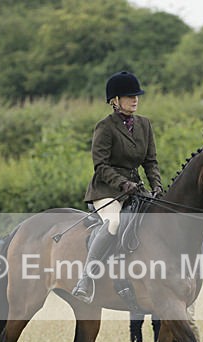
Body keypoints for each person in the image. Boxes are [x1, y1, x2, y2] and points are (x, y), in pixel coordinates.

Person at [72, 71, 163, 303]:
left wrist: (157, 187)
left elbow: (150, 162)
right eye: (129, 96)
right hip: (107, 190)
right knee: (113, 223)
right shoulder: (105, 127)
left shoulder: (144, 124)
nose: (135, 99)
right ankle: (86, 278)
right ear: (115, 101)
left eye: (136, 95)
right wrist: (122, 183)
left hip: (135, 189)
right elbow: (100, 165)